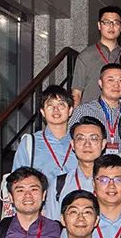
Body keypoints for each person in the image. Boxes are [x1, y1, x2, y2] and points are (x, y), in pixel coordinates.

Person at [9, 86, 76, 219]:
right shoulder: (30, 143)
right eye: (50, 105)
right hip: (41, 215)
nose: (56, 110)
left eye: (61, 105)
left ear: (70, 110)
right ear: (42, 112)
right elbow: (17, 182)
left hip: (75, 214)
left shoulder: (80, 142)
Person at [70, 63, 121, 154]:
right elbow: (70, 142)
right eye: (110, 80)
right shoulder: (83, 111)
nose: (116, 85)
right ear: (100, 83)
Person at [72, 6, 121, 106]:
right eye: (106, 22)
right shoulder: (86, 55)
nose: (111, 26)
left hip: (119, 112)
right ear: (99, 25)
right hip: (90, 113)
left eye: (116, 22)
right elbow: (76, 93)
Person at [57, 116, 112, 206]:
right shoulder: (59, 185)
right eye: (81, 139)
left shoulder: (117, 183)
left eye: (93, 139)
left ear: (103, 144)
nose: (87, 144)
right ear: (72, 145)